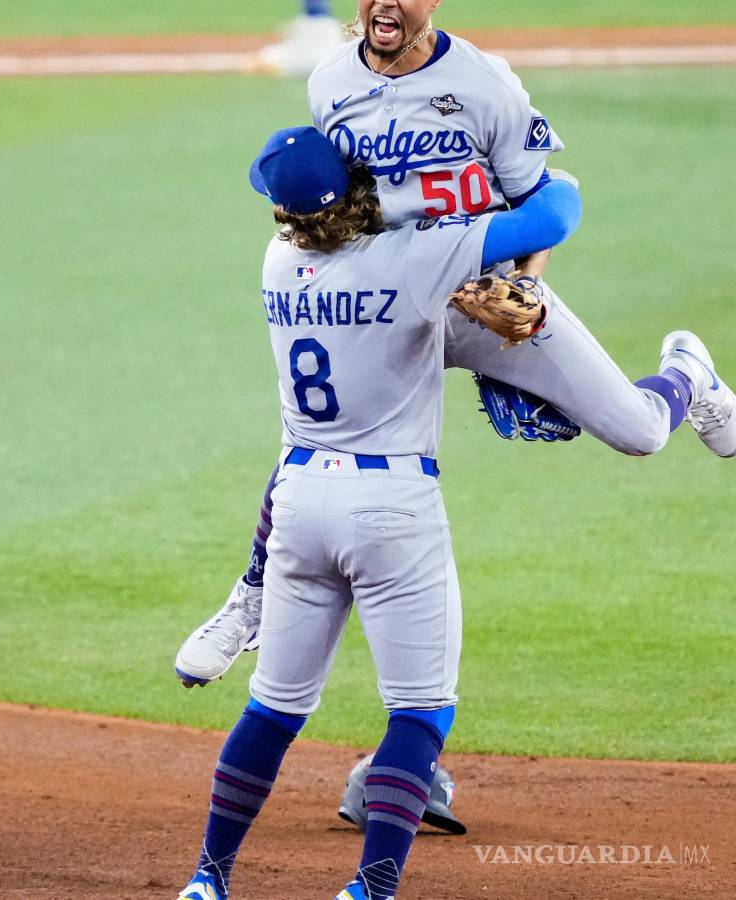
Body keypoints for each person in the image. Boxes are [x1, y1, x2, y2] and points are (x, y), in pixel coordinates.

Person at [174, 0, 736, 688]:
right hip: (386, 297)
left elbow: (548, 202)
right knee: (319, 436)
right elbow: (335, 205)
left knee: (639, 432)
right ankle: (253, 597)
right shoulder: (329, 83)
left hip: (487, 299)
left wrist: (525, 291)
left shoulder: (484, 85)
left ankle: (689, 376)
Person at [177, 123, 672, 900]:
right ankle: (370, 888)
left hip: (301, 500)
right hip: (390, 507)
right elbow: (557, 213)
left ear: (287, 212)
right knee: (419, 715)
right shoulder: (416, 259)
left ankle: (208, 879)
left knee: (273, 710)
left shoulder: (278, 264)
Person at [255, 1, 350, 77]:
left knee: (267, 57)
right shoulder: (333, 25)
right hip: (330, 66)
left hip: (301, 66)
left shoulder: (301, 25)